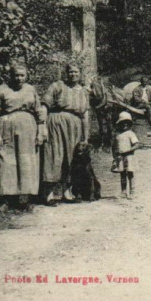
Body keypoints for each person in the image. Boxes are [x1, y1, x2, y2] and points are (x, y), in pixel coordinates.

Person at [0, 61, 47, 210]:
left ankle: (26, 199)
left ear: (26, 76)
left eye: (22, 75)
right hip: (6, 127)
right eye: (16, 75)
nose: (19, 78)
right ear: (11, 76)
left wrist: (40, 132)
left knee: (27, 161)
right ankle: (6, 199)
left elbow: (39, 113)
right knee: (6, 161)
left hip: (28, 129)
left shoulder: (31, 89)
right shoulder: (2, 90)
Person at [42, 63, 90, 205]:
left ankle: (67, 192)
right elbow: (44, 106)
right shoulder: (57, 86)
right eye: (70, 72)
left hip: (75, 126)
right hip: (55, 123)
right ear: (66, 73)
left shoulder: (83, 91)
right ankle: (49, 194)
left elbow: (85, 114)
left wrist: (86, 136)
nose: (73, 74)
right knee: (54, 155)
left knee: (71, 157)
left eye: (76, 72)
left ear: (80, 74)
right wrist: (42, 126)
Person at [111, 111, 140, 199]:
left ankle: (132, 191)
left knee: (130, 174)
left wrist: (128, 150)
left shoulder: (131, 134)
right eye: (123, 123)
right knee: (122, 174)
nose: (125, 125)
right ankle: (123, 191)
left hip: (129, 157)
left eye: (127, 123)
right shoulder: (117, 134)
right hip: (120, 157)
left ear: (129, 124)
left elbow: (137, 145)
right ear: (119, 124)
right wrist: (114, 156)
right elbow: (114, 146)